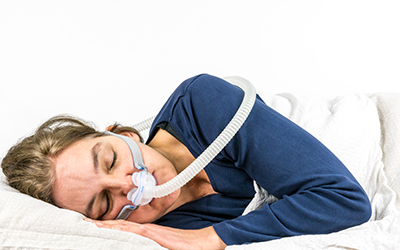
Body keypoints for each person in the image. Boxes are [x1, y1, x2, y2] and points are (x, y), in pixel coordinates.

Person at [1, 74, 371, 249]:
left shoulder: (203, 104)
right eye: (104, 203)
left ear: (123, 134)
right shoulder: (166, 228)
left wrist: (211, 238)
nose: (131, 185)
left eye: (111, 161)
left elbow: (344, 201)